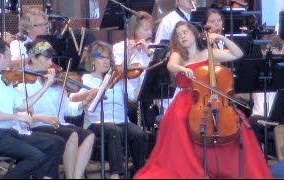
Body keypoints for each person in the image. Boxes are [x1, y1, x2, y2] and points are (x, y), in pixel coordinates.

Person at [134, 21, 271, 178]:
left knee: (236, 120)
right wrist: (181, 68)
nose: (182, 36)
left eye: (185, 32)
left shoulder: (208, 53)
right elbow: (171, 66)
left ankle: (229, 169)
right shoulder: (178, 54)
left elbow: (237, 54)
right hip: (186, 99)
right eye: (178, 35)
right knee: (181, 119)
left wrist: (221, 38)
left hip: (212, 99)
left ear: (194, 33)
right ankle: (193, 170)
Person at [0, 39, 65, 179]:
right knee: (35, 156)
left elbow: (22, 105)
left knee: (52, 144)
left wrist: (46, 85)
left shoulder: (3, 79)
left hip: (8, 133)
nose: (11, 59)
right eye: (9, 55)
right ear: (0, 56)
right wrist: (17, 117)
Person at [15, 39, 96, 179]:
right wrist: (43, 118)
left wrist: (84, 103)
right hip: (37, 125)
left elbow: (66, 109)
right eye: (46, 58)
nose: (50, 62)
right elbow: (19, 113)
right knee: (72, 134)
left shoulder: (54, 82)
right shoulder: (23, 81)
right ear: (33, 58)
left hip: (58, 124)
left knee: (89, 135)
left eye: (51, 58)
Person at [70, 40, 147, 179]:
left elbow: (134, 97)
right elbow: (72, 98)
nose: (106, 61)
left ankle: (140, 173)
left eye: (108, 58)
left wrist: (145, 80)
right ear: (92, 60)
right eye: (101, 57)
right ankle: (115, 175)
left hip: (120, 122)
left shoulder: (117, 79)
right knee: (113, 130)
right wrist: (90, 93)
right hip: (96, 124)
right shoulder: (86, 79)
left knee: (138, 133)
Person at [112, 11, 154, 127]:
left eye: (150, 30)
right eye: (145, 30)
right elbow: (119, 72)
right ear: (134, 30)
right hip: (129, 96)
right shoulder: (119, 47)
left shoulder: (151, 48)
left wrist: (148, 53)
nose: (150, 33)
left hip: (149, 95)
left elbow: (158, 70)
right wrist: (129, 54)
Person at [249, 34, 284, 157]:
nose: (269, 53)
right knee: (252, 123)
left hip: (280, 115)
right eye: (265, 50)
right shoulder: (255, 69)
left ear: (281, 50)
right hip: (260, 116)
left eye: (274, 50)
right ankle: (258, 162)